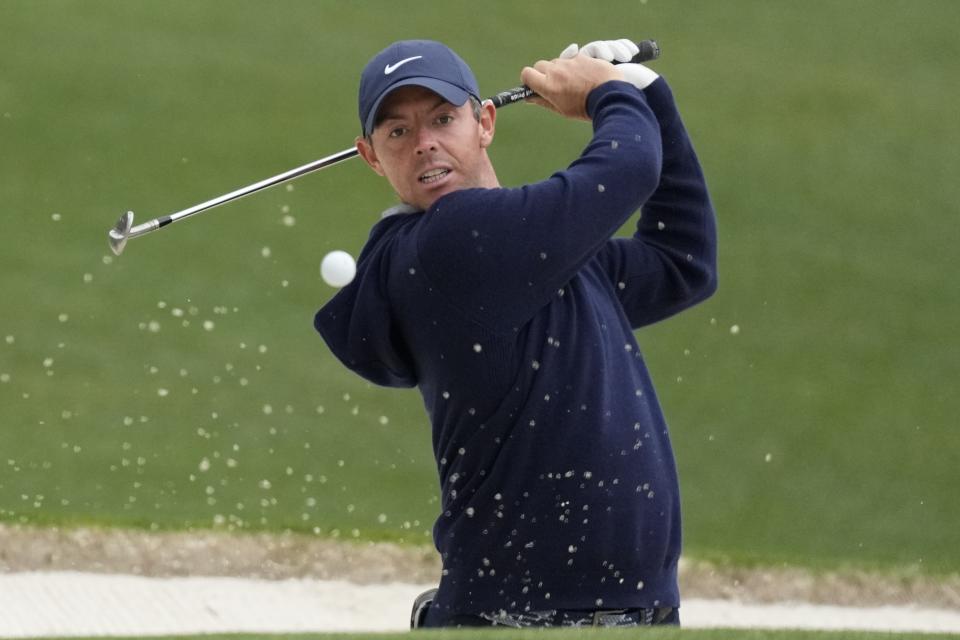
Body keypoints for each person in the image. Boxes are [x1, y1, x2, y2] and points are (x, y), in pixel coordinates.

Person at [314, 37, 717, 628]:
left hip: (622, 609)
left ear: (485, 122)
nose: (424, 142)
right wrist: (607, 92)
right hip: (524, 616)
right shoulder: (449, 244)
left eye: (443, 119)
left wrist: (649, 93)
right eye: (397, 132)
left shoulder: (534, 256)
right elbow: (627, 168)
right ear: (371, 156)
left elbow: (683, 260)